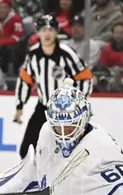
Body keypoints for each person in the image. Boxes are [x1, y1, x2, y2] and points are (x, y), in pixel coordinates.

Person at [15, 14, 92, 159]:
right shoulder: (33, 55)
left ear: (56, 31)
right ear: (37, 33)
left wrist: (80, 103)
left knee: (69, 150)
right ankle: (36, 180)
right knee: (27, 150)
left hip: (67, 112)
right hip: (44, 107)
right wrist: (19, 106)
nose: (47, 34)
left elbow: (85, 77)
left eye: (50, 30)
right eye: (43, 30)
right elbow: (25, 81)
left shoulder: (66, 54)